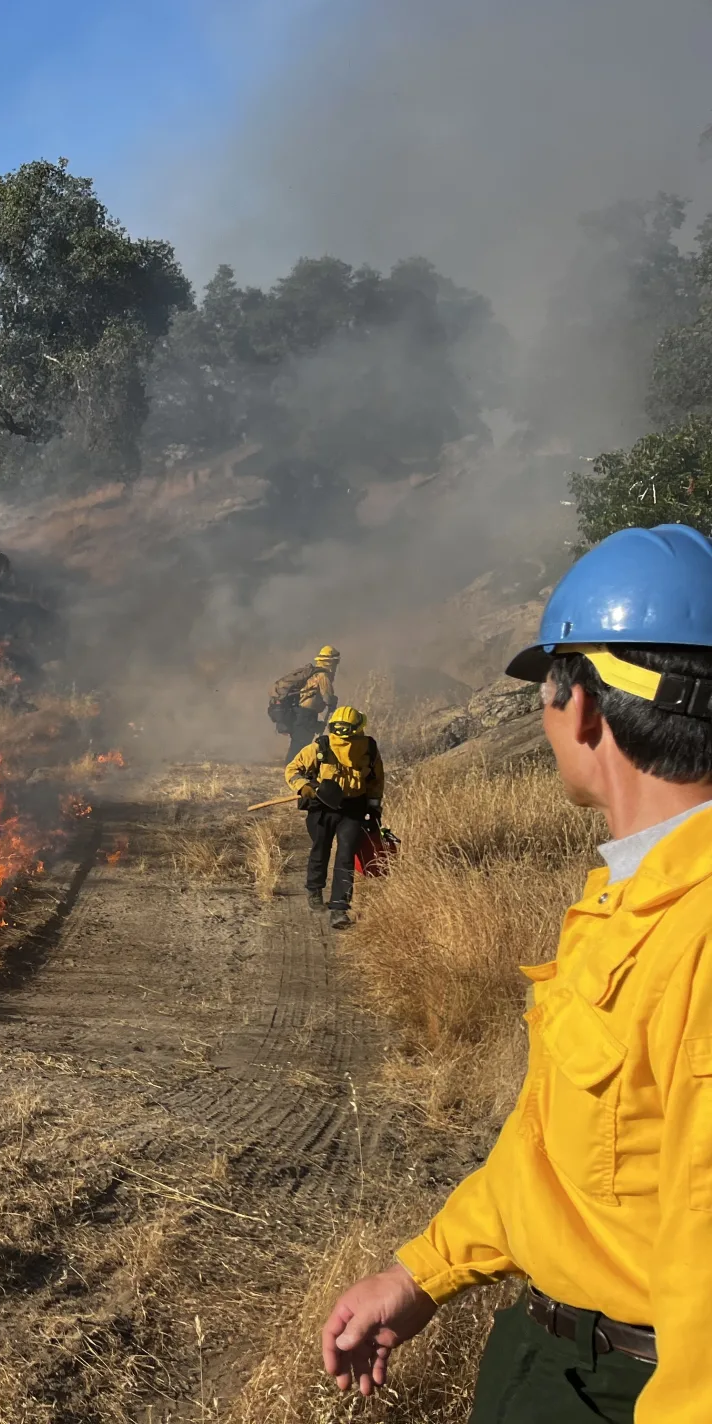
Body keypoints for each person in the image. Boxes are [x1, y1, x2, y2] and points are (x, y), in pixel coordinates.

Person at [320, 522, 712, 1422]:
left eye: (544, 692)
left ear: (581, 709)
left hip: (635, 1389)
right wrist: (420, 1273)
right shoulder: (631, 898)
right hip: (552, 1361)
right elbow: (555, 1152)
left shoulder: (699, 935)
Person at [286, 703, 383, 929]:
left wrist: (374, 809)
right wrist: (303, 787)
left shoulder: (368, 747)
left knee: (346, 854)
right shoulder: (320, 746)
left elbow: (376, 781)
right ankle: (314, 889)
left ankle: (339, 909)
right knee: (321, 847)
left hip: (353, 808)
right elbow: (292, 769)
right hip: (322, 807)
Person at [269, 646, 341, 759]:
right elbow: (328, 697)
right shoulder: (323, 675)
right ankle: (292, 768)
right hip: (306, 714)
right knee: (300, 744)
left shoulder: (313, 673)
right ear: (330, 661)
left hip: (301, 712)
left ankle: (294, 766)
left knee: (300, 742)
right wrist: (333, 701)